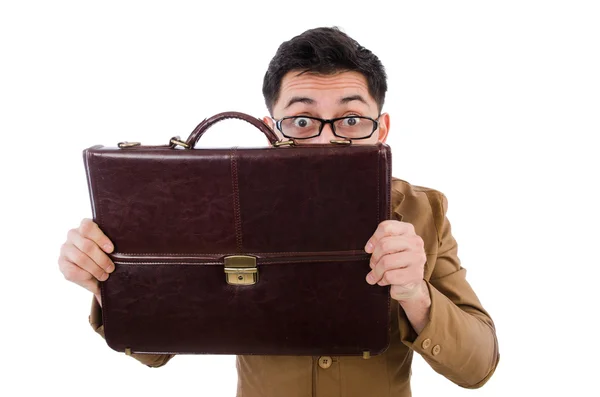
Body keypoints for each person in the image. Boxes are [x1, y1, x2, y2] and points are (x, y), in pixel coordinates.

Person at [58, 26, 499, 397]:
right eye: (302, 121)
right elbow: (156, 349)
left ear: (380, 129)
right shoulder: (226, 204)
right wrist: (108, 283)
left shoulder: (425, 211)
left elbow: (478, 366)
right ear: (271, 131)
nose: (327, 142)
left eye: (351, 119)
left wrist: (415, 295)